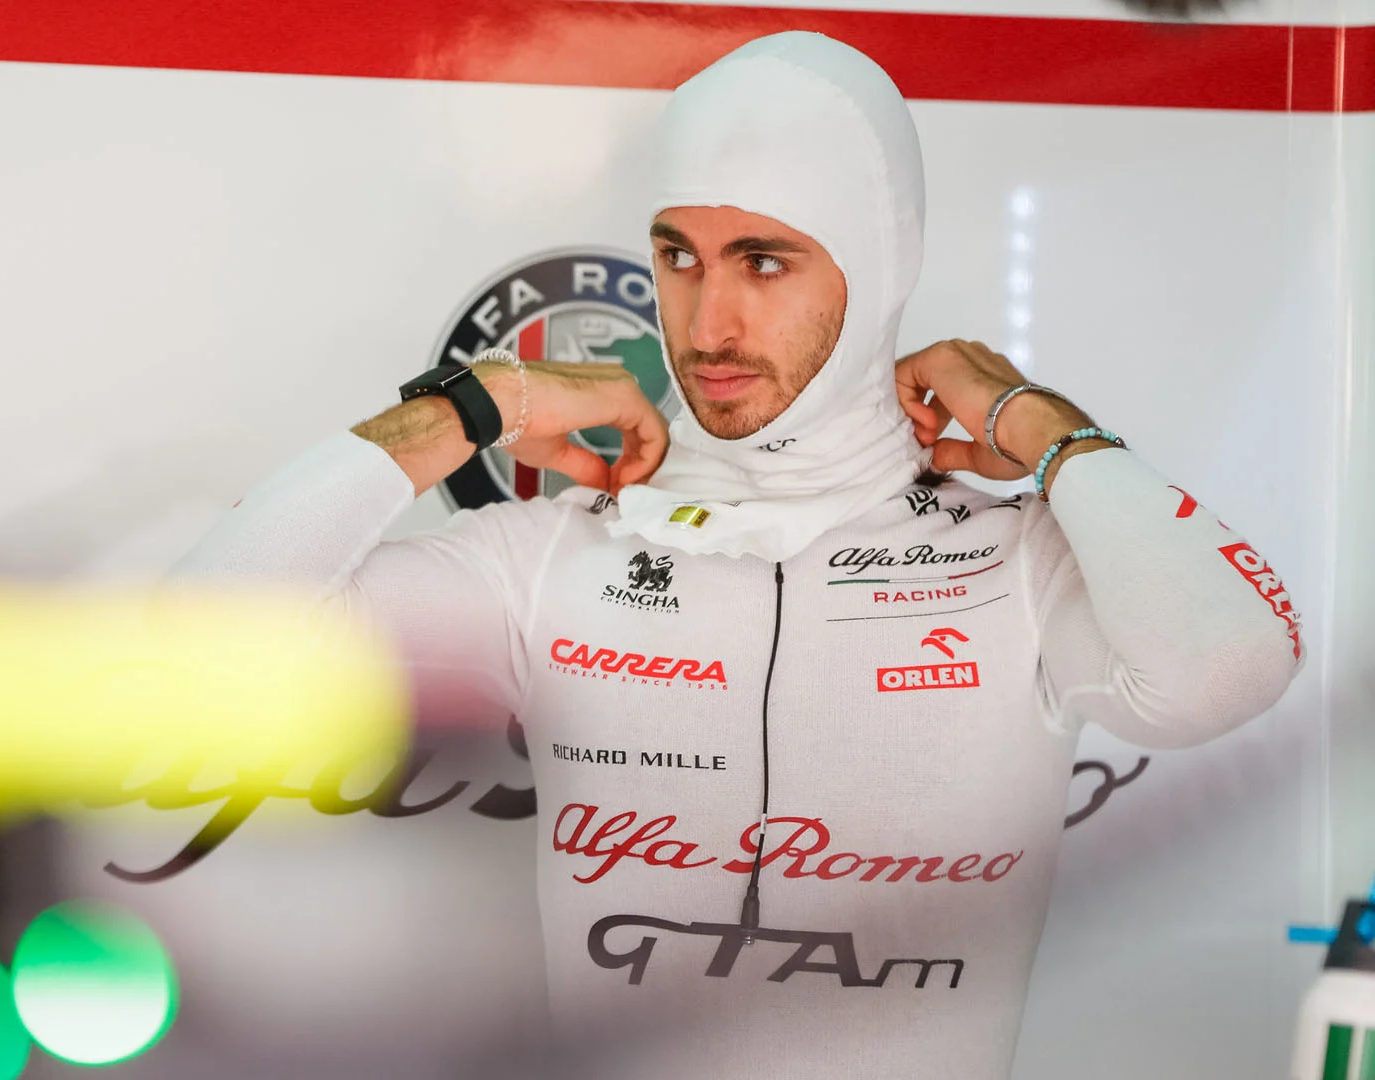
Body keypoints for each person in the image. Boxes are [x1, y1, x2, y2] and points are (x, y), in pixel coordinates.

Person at [175, 32, 1301, 1077]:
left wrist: (1049, 432)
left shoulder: (1012, 559)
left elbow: (1227, 666)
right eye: (678, 256)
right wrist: (475, 407)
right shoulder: (556, 555)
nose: (707, 324)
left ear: (880, 264)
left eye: (765, 263)